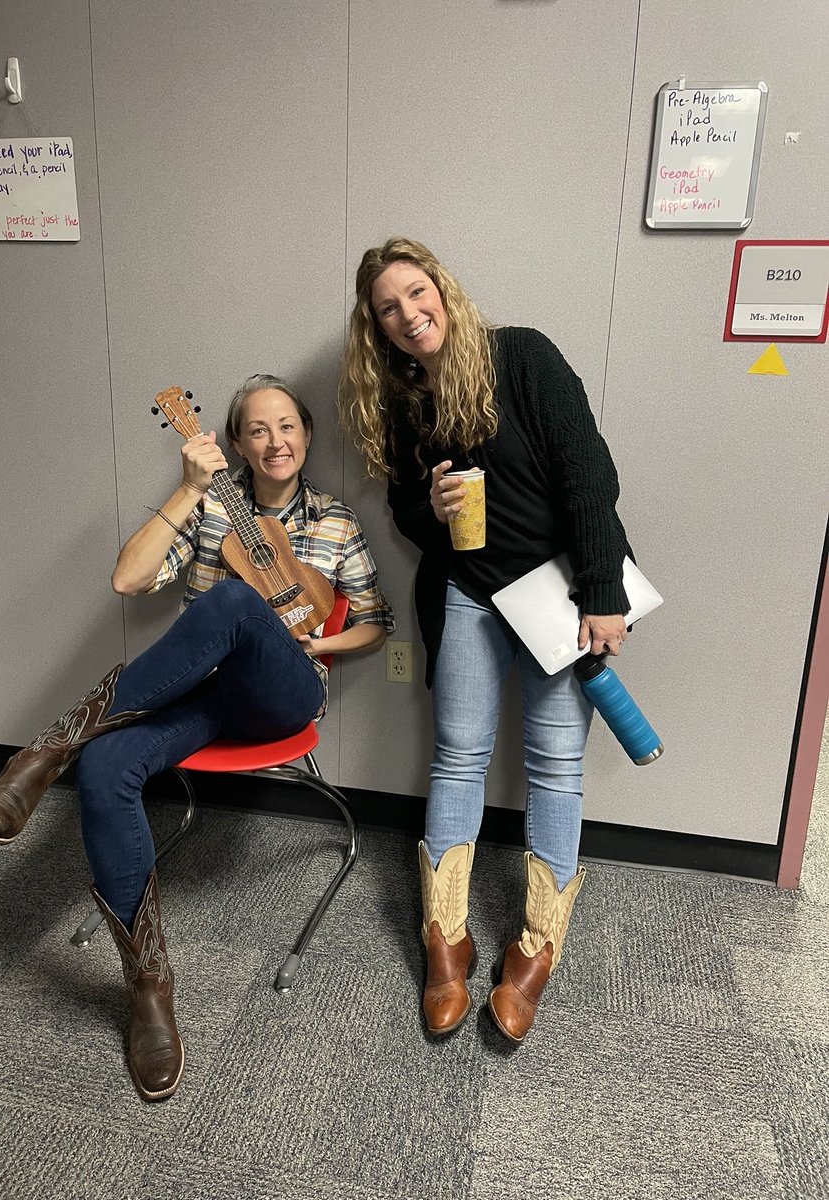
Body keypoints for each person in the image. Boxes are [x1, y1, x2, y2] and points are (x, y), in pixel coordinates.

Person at [0, 374, 395, 1100]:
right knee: (107, 764)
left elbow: (376, 622)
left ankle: (48, 748)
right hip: (202, 694)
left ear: (307, 434)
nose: (275, 441)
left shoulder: (335, 521)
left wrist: (319, 645)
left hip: (284, 692)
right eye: (257, 429)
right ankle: (147, 985)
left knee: (231, 598)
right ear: (235, 443)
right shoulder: (206, 509)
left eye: (287, 426)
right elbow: (127, 580)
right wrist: (187, 490)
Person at [339, 238, 632, 1044]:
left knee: (556, 764)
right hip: (470, 592)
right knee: (458, 755)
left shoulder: (522, 357)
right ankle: (447, 938)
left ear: (441, 288)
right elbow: (406, 515)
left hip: (558, 593)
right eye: (387, 308)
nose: (407, 314)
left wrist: (604, 591)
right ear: (377, 327)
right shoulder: (404, 403)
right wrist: (428, 510)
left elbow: (590, 474)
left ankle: (537, 948)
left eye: (415, 292)